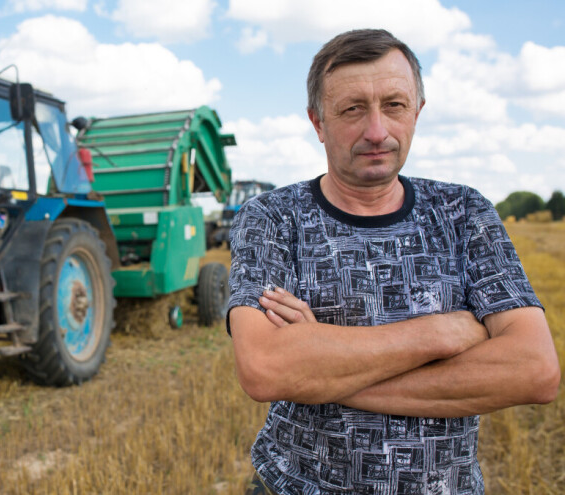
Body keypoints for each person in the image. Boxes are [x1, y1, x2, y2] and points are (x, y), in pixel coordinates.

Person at [227, 28, 560, 495]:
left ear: (417, 113)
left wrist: (321, 369)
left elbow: (534, 370)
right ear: (318, 122)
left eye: (394, 105)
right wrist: (441, 334)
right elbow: (265, 367)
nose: (377, 131)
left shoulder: (464, 212)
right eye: (352, 109)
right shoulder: (273, 218)